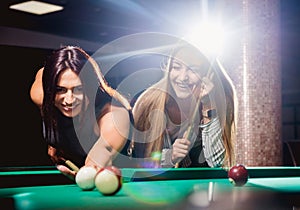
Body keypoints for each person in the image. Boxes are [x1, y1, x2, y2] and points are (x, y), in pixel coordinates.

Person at [30, 46, 132, 179]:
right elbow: (43, 73)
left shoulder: (113, 113)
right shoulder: (41, 96)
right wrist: (54, 135)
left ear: (90, 87)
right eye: (60, 89)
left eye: (78, 89)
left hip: (117, 180)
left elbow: (104, 149)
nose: (69, 99)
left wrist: (89, 170)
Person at [132, 42, 237, 168]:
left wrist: (208, 105)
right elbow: (135, 163)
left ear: (207, 75)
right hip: (158, 185)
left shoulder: (221, 99)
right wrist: (169, 157)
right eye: (176, 67)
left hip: (203, 184)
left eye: (193, 70)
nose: (183, 77)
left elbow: (217, 164)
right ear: (168, 68)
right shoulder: (148, 102)